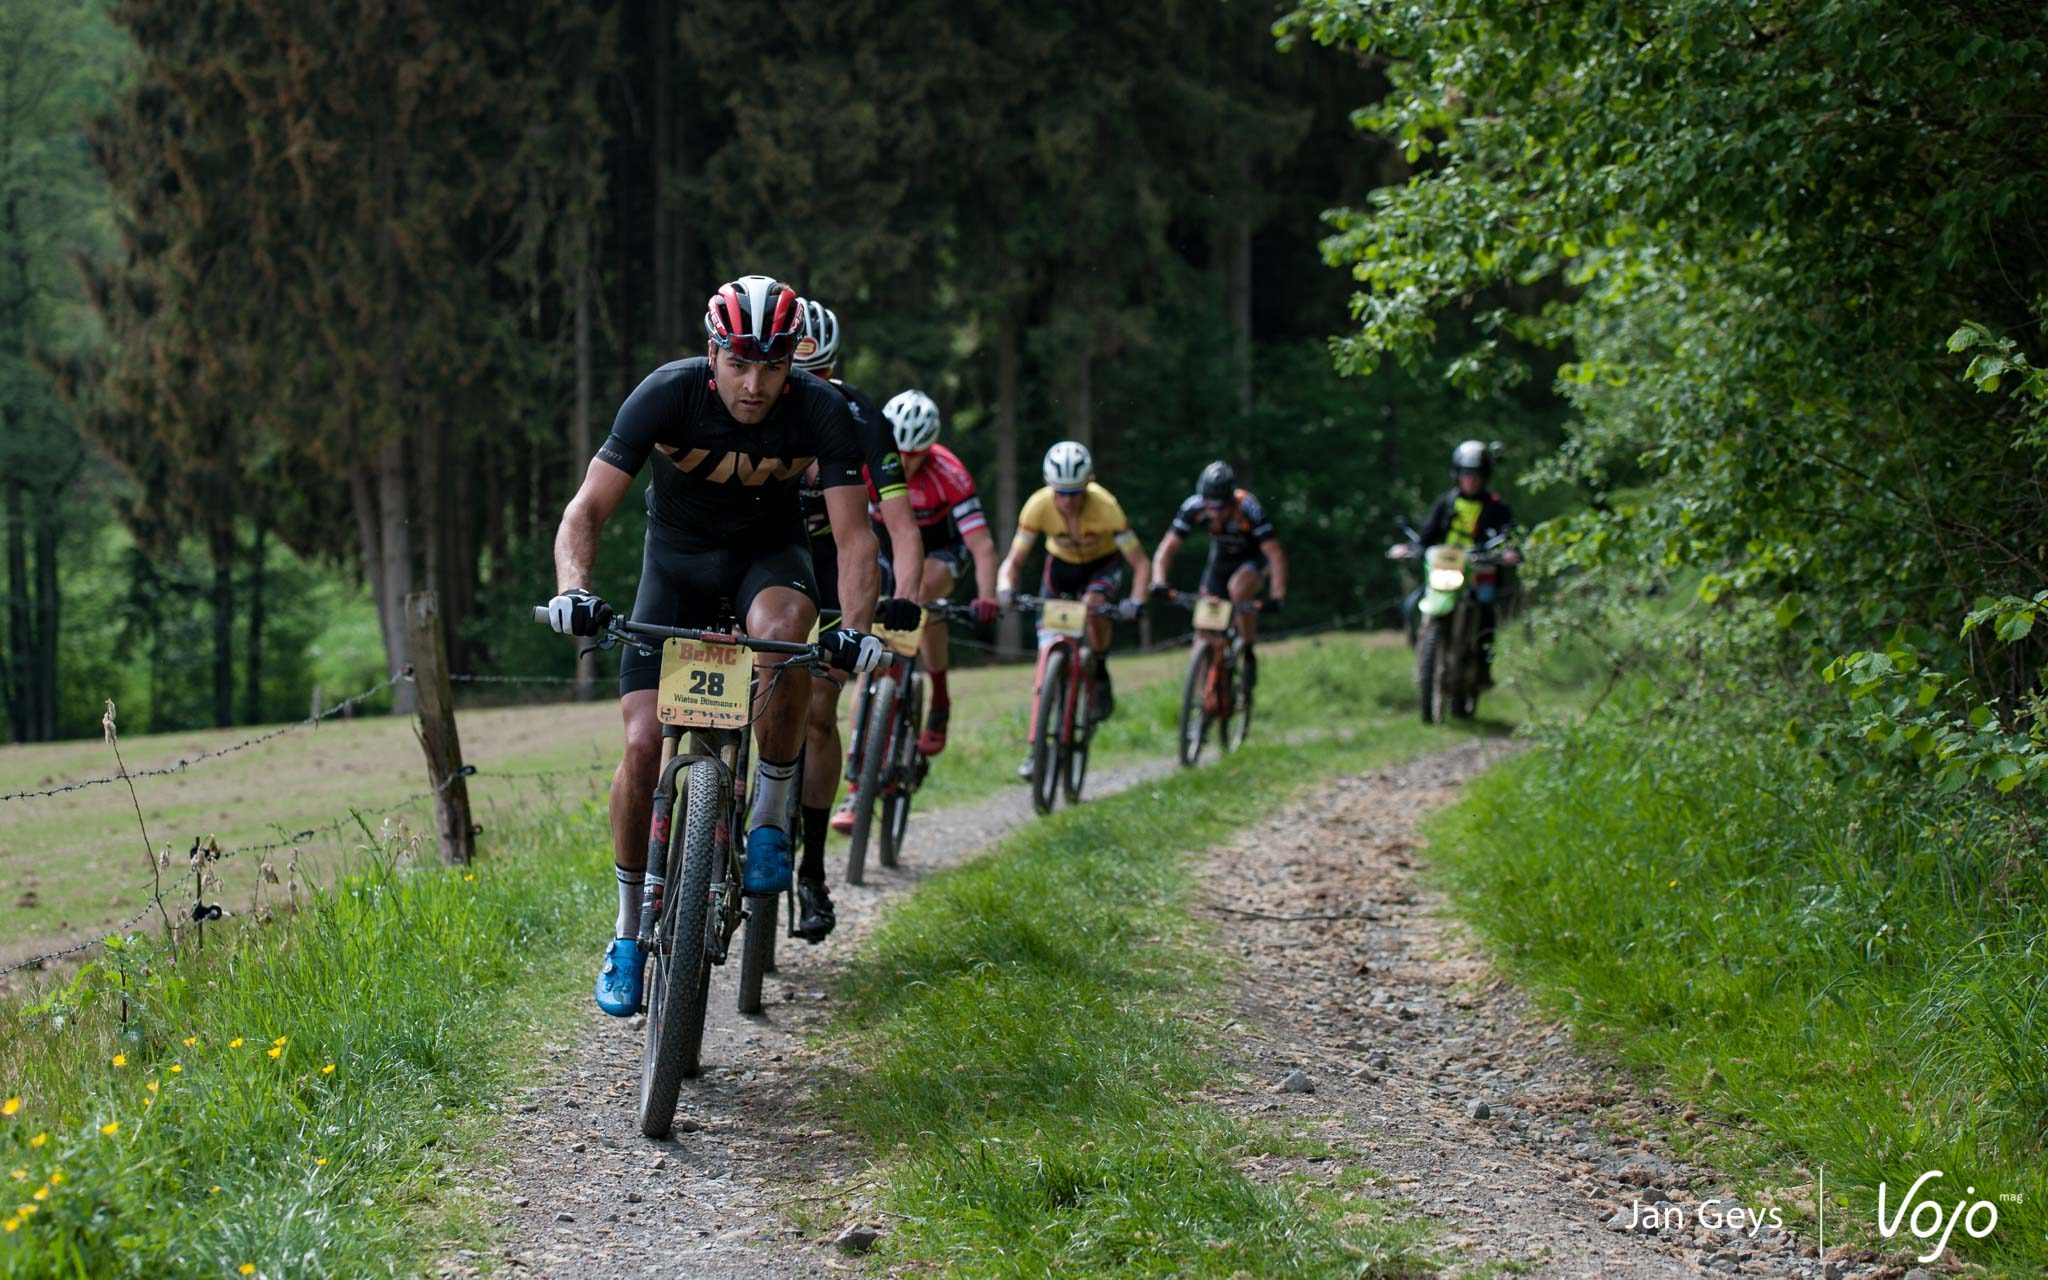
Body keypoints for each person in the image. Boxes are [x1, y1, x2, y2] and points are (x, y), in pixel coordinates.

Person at [545, 274, 917, 1017]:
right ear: (712, 352)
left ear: (792, 364)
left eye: (772, 366)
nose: (755, 385)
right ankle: (626, 933)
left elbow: (854, 538)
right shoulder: (666, 393)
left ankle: (772, 815)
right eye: (739, 363)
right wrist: (574, 589)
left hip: (768, 561)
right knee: (642, 745)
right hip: (674, 566)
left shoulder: (820, 410)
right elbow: (585, 510)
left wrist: (856, 629)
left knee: (783, 639)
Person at [787, 300, 927, 942]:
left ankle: (813, 871)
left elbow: (900, 525)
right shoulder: (751, 404)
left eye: (819, 375)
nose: (805, 388)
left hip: (838, 562)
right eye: (796, 374)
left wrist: (908, 598)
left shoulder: (862, 415)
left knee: (819, 711)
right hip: (764, 556)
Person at [828, 390, 1000, 834]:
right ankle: (856, 784)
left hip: (940, 550)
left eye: (916, 454)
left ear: (931, 447)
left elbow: (981, 545)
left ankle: (939, 695)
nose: (905, 461)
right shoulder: (870, 459)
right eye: (900, 452)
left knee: (922, 594)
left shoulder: (950, 473)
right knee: (872, 650)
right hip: (888, 545)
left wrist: (987, 596)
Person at [995, 441, 1151, 777]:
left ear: (1089, 484)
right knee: (1046, 651)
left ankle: (1099, 669)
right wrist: (1005, 588)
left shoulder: (1107, 507)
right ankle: (1036, 749)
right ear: (1048, 485)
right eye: (1061, 492)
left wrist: (1137, 601)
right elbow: (1014, 561)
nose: (1067, 500)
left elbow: (1140, 563)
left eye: (1075, 492)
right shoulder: (1037, 506)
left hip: (1101, 567)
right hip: (1061, 568)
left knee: (1094, 607)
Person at [1390, 439, 1521, 686]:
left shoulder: (1496, 507)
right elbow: (1426, 536)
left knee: (1486, 607)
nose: (1471, 479)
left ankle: (1483, 666)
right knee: (1411, 605)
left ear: (1485, 476)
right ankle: (1424, 661)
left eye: (1476, 474)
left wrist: (1509, 552)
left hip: (1481, 572)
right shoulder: (1446, 503)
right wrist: (1409, 548)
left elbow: (1511, 536)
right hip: (1446, 571)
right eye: (1465, 473)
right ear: (1457, 474)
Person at [1149, 460, 1287, 692]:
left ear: (1230, 501)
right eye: (1209, 506)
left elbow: (1274, 553)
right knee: (1204, 626)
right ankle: (1202, 697)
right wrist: (1159, 581)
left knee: (1238, 591)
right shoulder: (1194, 507)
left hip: (1252, 559)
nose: (1214, 512)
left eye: (1220, 507)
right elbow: (1167, 548)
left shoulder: (1248, 507)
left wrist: (1277, 595)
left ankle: (1248, 652)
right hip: (1220, 562)